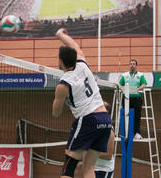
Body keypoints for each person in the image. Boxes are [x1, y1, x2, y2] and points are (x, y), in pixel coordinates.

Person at [52, 28, 111, 178]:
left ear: (60, 61)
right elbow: (75, 46)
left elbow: (56, 113)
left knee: (68, 168)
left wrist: (64, 99)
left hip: (88, 120)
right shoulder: (82, 64)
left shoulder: (63, 85)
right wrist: (61, 35)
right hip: (105, 119)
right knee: (89, 167)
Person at [75, 102, 115, 178]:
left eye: (100, 106)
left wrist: (89, 153)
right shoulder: (91, 127)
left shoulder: (109, 131)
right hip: (90, 167)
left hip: (103, 170)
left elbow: (108, 156)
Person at [119, 59, 147, 140]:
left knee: (137, 116)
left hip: (137, 99)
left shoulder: (140, 75)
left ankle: (137, 134)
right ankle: (125, 134)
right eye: (130, 64)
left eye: (134, 64)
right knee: (125, 116)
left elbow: (144, 84)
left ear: (136, 65)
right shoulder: (125, 75)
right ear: (129, 65)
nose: (132, 65)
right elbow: (120, 85)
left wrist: (138, 89)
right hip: (126, 99)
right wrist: (123, 89)